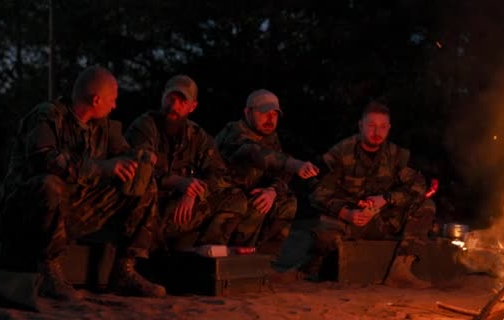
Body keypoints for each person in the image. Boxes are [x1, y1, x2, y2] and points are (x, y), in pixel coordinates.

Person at [0, 66, 166, 301]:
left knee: (143, 182)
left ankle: (124, 269)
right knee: (50, 183)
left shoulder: (104, 126)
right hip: (28, 212)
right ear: (96, 100)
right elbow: (44, 160)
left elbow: (125, 154)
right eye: (112, 100)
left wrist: (142, 157)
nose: (114, 106)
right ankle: (48, 270)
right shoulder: (47, 115)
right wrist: (102, 167)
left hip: (72, 208)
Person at [306, 100, 436, 288]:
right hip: (351, 220)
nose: (377, 132)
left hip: (385, 219)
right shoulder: (341, 153)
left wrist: (387, 199)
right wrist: (345, 212)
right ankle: (317, 268)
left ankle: (402, 267)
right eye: (371, 126)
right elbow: (316, 190)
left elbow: (418, 187)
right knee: (322, 236)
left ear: (389, 128)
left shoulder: (396, 155)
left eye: (383, 127)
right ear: (361, 125)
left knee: (426, 206)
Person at [124, 75, 248, 251]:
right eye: (171, 98)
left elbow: (219, 172)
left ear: (193, 106)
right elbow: (138, 170)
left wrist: (193, 191)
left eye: (182, 102)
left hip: (178, 210)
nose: (174, 106)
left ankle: (205, 253)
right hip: (147, 213)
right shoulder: (144, 127)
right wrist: (179, 182)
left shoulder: (196, 135)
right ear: (162, 97)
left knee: (236, 197)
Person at [214, 89, 319, 259]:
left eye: (274, 114)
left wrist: (272, 190)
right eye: (264, 113)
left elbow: (282, 173)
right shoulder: (234, 132)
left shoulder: (270, 138)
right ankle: (237, 259)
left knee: (286, 201)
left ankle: (265, 260)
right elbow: (256, 153)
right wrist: (295, 164)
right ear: (247, 112)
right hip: (222, 201)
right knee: (253, 201)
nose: (270, 119)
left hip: (246, 198)